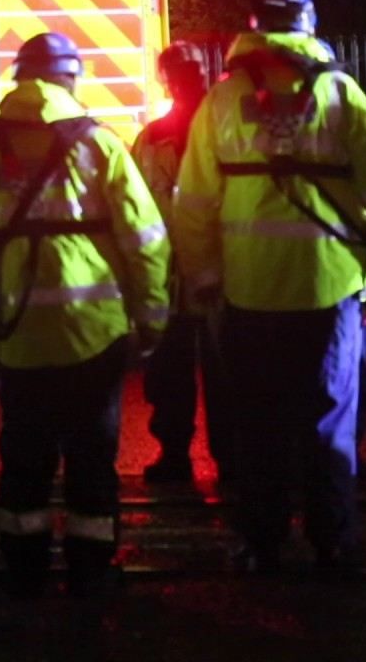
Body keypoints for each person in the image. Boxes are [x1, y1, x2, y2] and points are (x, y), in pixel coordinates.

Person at [174, 0, 366, 572]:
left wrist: (204, 276)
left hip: (248, 293)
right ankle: (334, 543)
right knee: (329, 423)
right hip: (328, 290)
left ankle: (262, 542)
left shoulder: (221, 102)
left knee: (257, 424)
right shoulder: (341, 95)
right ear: (308, 27)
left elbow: (193, 202)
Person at [0, 32, 170, 597]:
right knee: (92, 456)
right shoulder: (101, 148)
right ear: (71, 80)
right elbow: (144, 238)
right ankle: (91, 571)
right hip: (95, 335)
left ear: (19, 80)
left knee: (25, 455)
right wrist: (152, 314)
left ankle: (25, 567)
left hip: (17, 337)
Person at [131, 41, 234, 484]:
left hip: (216, 271)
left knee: (225, 372)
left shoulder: (223, 128)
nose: (183, 82)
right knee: (170, 373)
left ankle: (229, 458)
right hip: (172, 275)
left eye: (188, 72)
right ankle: (175, 454)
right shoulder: (152, 137)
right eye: (175, 75)